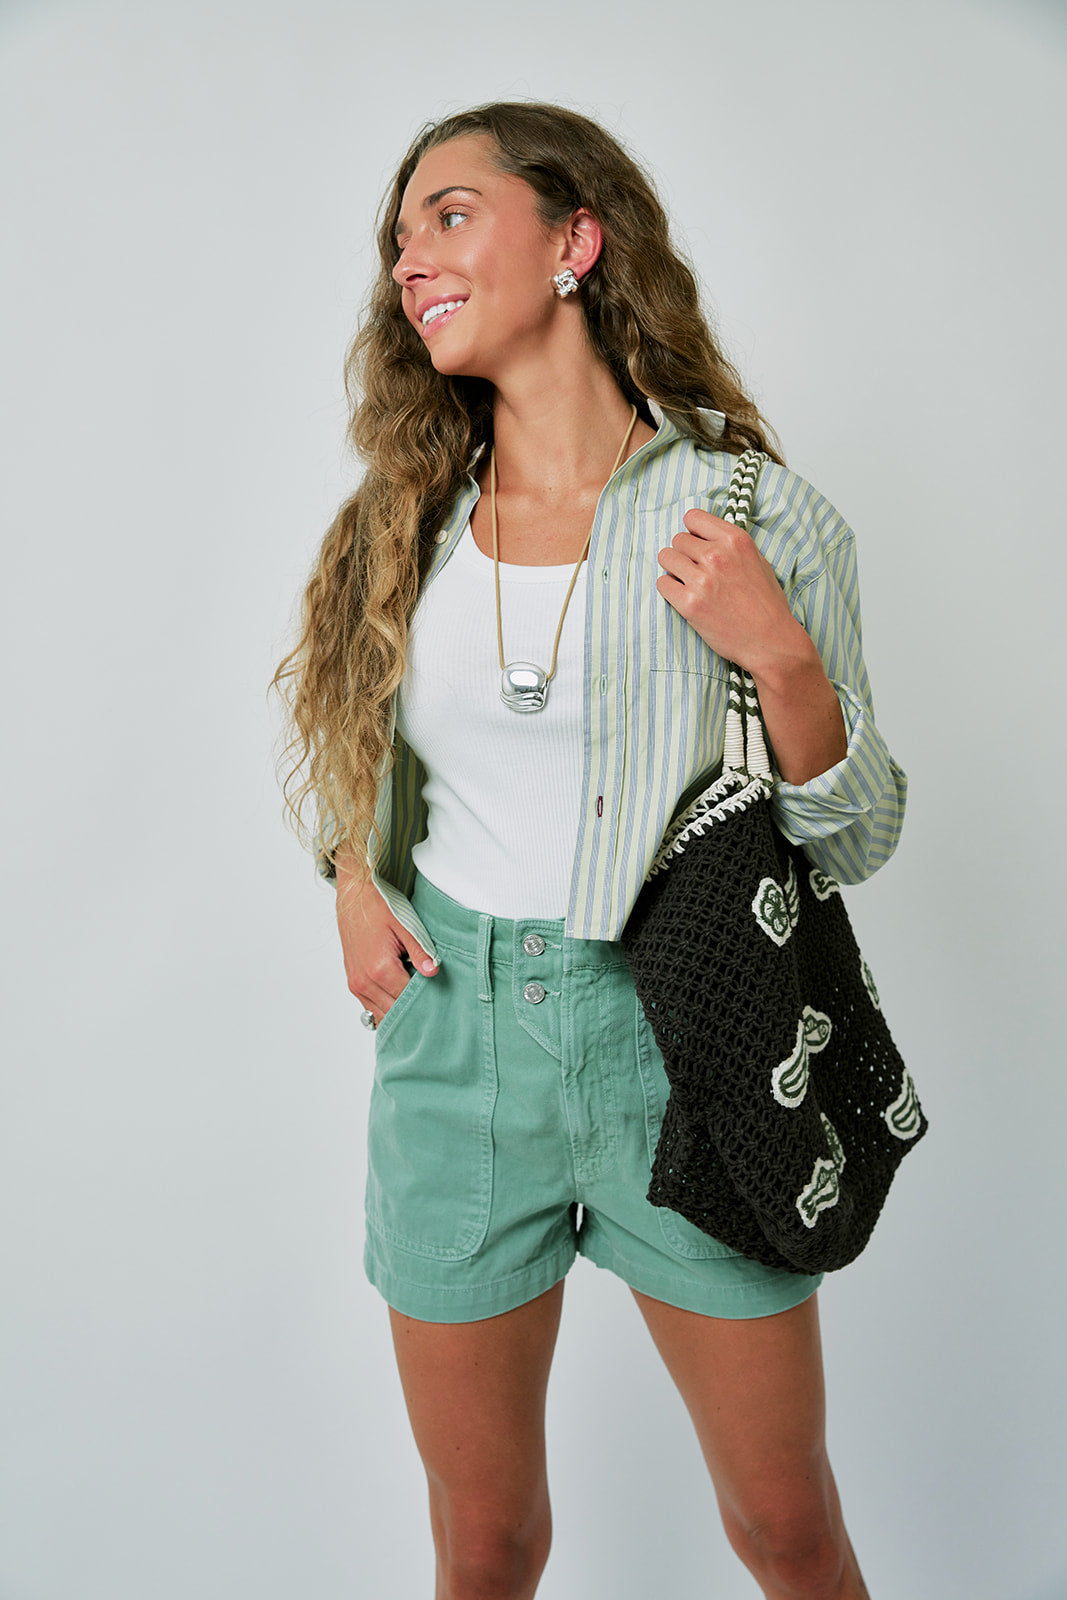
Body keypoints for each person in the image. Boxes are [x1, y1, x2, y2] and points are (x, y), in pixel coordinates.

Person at [275, 100, 904, 1600]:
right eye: (397, 239)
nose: (408, 262)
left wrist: (786, 664)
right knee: (486, 1545)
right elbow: (351, 740)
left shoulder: (748, 509)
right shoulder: (405, 515)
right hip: (455, 1048)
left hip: (683, 1038)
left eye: (448, 215)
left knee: (784, 1526)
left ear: (575, 241)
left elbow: (862, 831)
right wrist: (355, 881)